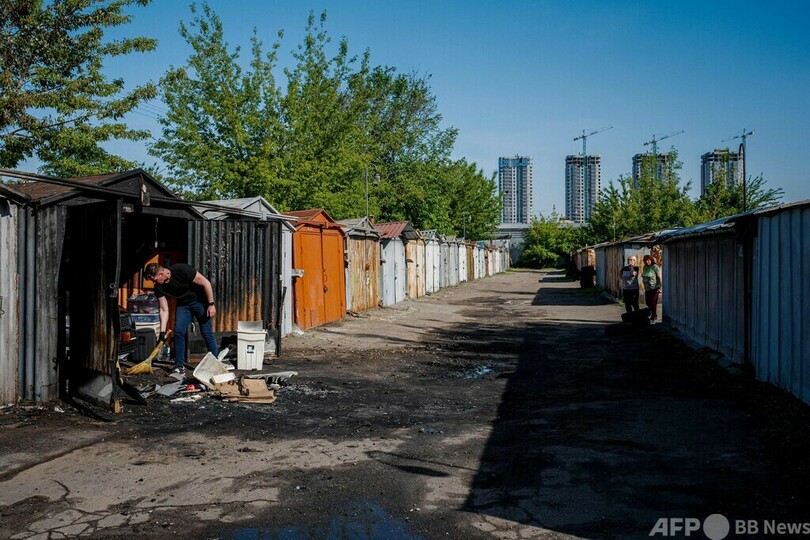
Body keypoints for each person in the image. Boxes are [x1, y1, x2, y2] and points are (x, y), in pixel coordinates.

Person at [144, 262, 219, 373]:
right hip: (183, 305)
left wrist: (211, 304)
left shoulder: (181, 270)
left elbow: (206, 283)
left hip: (200, 302)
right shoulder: (159, 288)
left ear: (160, 274)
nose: (154, 283)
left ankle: (214, 364)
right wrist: (162, 332)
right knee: (179, 331)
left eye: (154, 280)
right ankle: (179, 366)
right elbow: (164, 309)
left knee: (206, 332)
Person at [642, 254, 663, 323]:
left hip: (655, 288)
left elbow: (659, 277)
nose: (647, 262)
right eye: (646, 260)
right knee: (648, 302)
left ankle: (653, 317)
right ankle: (654, 315)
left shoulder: (655, 267)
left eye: (648, 260)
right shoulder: (644, 267)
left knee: (653, 303)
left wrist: (661, 287)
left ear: (651, 260)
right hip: (647, 288)